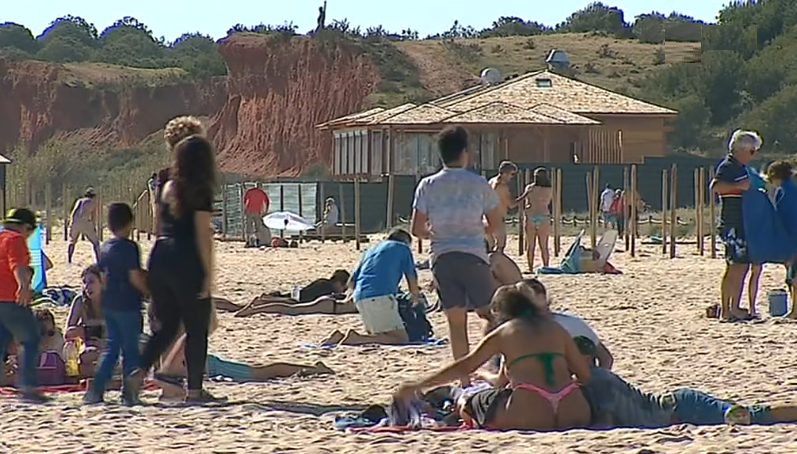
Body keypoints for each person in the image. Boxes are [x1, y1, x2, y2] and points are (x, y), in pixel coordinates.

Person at [396, 284, 591, 430]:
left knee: (470, 402)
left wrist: (418, 385)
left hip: (528, 411)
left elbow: (465, 366)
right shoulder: (556, 328)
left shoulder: (505, 332)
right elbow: (584, 375)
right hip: (572, 408)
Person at [127, 134, 220, 404]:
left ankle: (138, 372)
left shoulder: (168, 187)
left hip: (161, 255)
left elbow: (159, 223)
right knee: (196, 328)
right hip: (186, 258)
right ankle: (194, 391)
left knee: (166, 327)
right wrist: (208, 277)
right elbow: (203, 236)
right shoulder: (200, 190)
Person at [410, 126, 502, 386]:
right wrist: (475, 230)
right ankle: (496, 367)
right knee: (491, 314)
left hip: (442, 256)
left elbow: (417, 229)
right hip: (472, 253)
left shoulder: (427, 185)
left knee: (456, 322)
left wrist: (437, 234)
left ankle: (465, 382)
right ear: (464, 152)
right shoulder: (479, 184)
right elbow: (495, 223)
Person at [83, 203, 148, 405]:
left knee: (111, 348)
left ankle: (96, 390)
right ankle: (129, 394)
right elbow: (134, 276)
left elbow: (101, 275)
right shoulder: (129, 247)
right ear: (129, 223)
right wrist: (148, 292)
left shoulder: (105, 247)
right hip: (127, 303)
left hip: (109, 304)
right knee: (130, 350)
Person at [320, 228, 421, 346]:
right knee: (400, 338)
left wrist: (350, 297)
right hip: (380, 296)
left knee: (378, 335)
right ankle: (355, 338)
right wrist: (415, 297)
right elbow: (411, 277)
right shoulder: (402, 248)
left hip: (360, 298)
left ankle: (339, 337)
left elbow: (352, 281)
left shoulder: (371, 250)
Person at [710, 130, 760, 321]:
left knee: (742, 265)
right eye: (752, 151)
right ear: (742, 150)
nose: (753, 155)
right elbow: (716, 187)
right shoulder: (729, 166)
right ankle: (726, 309)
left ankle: (734, 307)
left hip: (741, 222)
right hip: (732, 223)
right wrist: (741, 185)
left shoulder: (740, 167)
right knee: (734, 266)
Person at [0, 208, 49, 402]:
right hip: (11, 298)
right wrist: (23, 286)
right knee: (30, 339)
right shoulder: (15, 240)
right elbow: (17, 265)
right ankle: (28, 386)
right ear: (26, 227)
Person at [233, 269, 352, 317]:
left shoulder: (324, 282)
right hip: (300, 298)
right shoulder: (327, 286)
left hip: (299, 295)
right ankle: (264, 301)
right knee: (288, 303)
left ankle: (265, 300)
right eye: (343, 287)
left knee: (287, 300)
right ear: (338, 283)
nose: (343, 290)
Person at [767, 160, 797, 318]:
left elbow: (780, 217)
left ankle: (795, 311)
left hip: (792, 239)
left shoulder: (783, 191)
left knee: (793, 276)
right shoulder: (793, 188)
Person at [516, 167, 552, 271]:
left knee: (530, 245)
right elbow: (548, 202)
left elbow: (524, 199)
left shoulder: (530, 188)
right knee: (544, 245)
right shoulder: (549, 189)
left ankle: (530, 268)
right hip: (543, 216)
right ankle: (546, 266)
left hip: (531, 215)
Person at [486, 161, 518, 252]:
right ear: (505, 173)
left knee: (492, 247)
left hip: (487, 217)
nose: (512, 177)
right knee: (500, 247)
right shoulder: (502, 186)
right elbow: (511, 205)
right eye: (511, 174)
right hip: (498, 219)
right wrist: (525, 195)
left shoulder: (491, 181)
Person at [67, 188, 100, 263]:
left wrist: (71, 222)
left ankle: (69, 259)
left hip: (75, 221)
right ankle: (99, 260)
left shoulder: (79, 201)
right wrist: (93, 227)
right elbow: (93, 216)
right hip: (85, 222)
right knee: (95, 243)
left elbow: (73, 212)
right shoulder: (92, 202)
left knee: (72, 241)